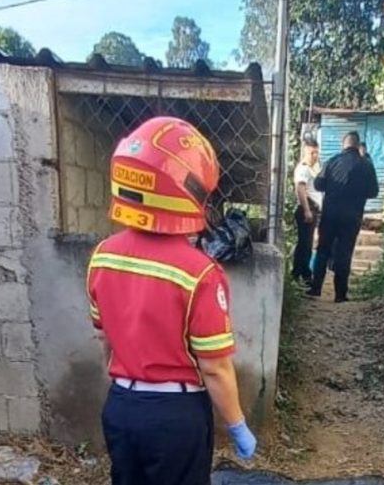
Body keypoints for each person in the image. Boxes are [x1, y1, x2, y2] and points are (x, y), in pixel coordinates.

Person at [87, 116, 257, 485]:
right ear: (185, 192)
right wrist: (237, 424)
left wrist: (127, 385)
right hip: (174, 416)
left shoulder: (102, 257)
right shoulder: (199, 274)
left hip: (120, 408)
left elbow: (106, 342)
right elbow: (214, 368)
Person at [307, 131, 378, 302]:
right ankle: (340, 294)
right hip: (352, 216)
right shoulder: (366, 165)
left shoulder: (332, 161)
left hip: (330, 214)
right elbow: (374, 192)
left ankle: (316, 288)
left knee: (323, 250)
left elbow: (318, 184)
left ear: (343, 144)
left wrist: (333, 188)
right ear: (357, 145)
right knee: (345, 253)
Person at [291, 139, 321, 284]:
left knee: (305, 243)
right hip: (307, 208)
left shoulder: (314, 168)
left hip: (313, 208)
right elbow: (300, 189)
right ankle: (302, 273)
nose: (314, 155)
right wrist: (307, 210)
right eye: (312, 152)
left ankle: (300, 272)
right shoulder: (303, 168)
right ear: (305, 151)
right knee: (305, 244)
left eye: (316, 152)